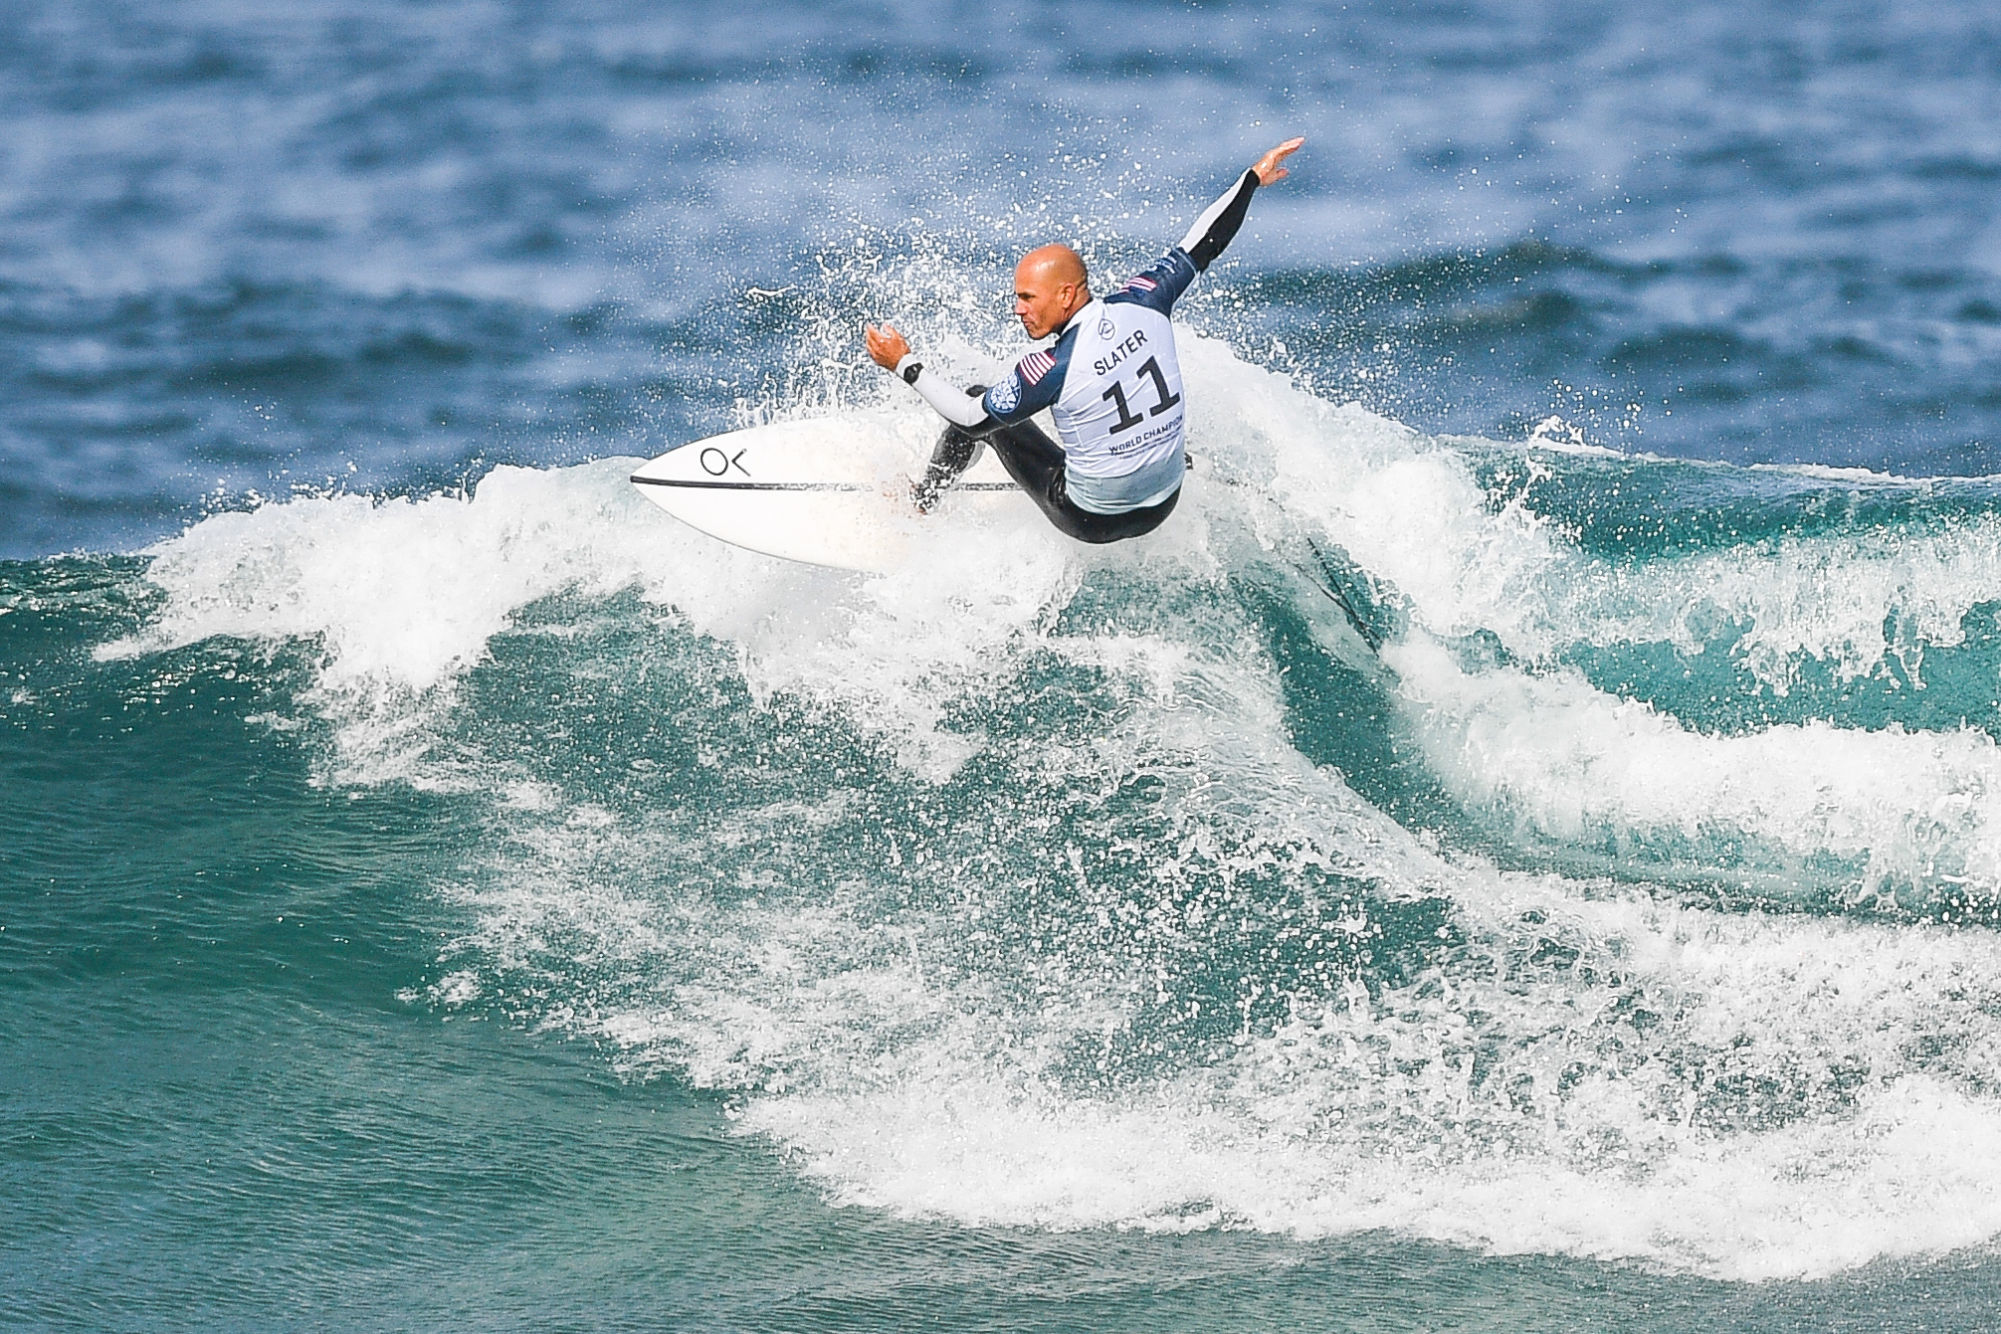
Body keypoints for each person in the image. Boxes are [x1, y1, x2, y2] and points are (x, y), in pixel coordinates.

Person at [864, 137, 1304, 544]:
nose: (1019, 309)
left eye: (1027, 298)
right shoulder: (1147, 301)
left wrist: (904, 364)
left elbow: (970, 419)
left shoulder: (1051, 367)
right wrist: (1251, 180)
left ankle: (920, 502)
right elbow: (1205, 242)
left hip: (1091, 519)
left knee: (982, 399)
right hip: (1165, 501)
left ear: (1067, 294)